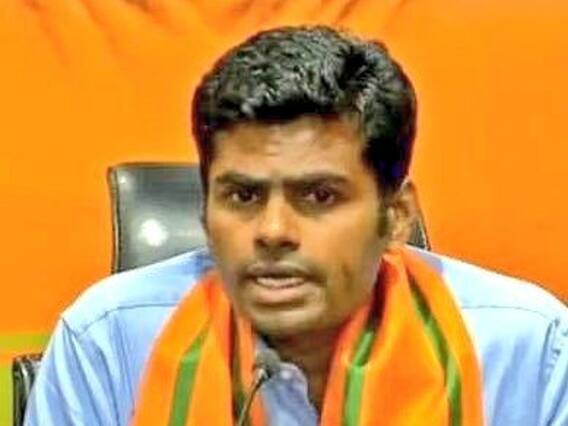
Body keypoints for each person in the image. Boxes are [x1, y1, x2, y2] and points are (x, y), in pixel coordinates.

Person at [25, 26, 567, 426]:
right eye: (242, 196)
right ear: (204, 211)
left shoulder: (528, 350)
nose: (273, 230)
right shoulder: (110, 341)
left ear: (397, 216)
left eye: (320, 196)